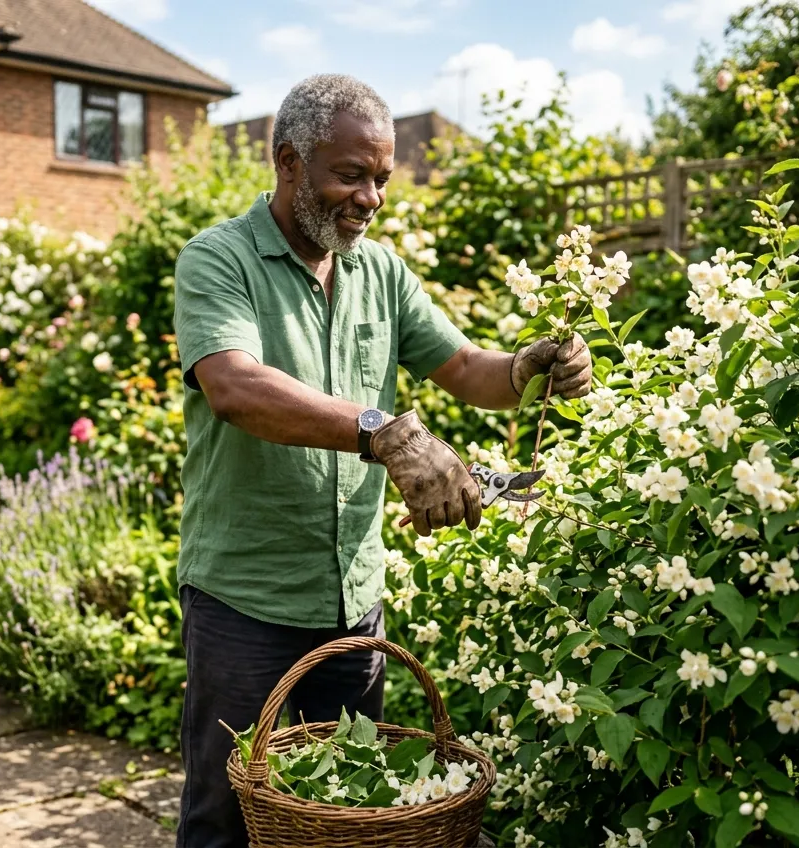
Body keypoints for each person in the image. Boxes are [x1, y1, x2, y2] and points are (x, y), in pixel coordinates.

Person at [171, 74, 591, 848]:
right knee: (225, 815)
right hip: (243, 599)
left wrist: (528, 366)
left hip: (351, 597)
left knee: (352, 812)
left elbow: (465, 368)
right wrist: (387, 433)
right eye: (350, 175)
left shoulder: (382, 273)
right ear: (288, 161)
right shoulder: (218, 259)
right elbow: (235, 387)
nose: (370, 197)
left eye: (382, 179)